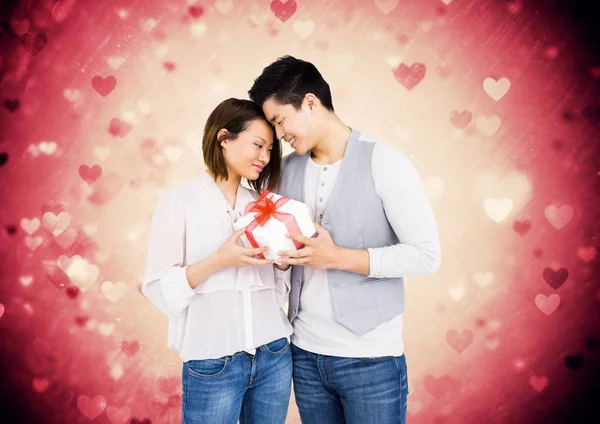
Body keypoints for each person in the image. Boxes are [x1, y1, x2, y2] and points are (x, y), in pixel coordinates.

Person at [248, 56, 442, 424]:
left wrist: (338, 257)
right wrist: (281, 256)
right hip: (304, 356)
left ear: (309, 102)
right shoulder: (287, 169)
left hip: (370, 358)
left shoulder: (384, 161)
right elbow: (287, 257)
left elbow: (426, 256)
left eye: (279, 120)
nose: (278, 135)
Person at [142, 98, 293, 424]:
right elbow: (159, 289)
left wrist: (283, 262)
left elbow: (279, 292)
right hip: (213, 361)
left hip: (274, 354)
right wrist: (218, 260)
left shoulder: (266, 206)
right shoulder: (178, 203)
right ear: (223, 138)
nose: (265, 158)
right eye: (258, 145)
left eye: (270, 150)